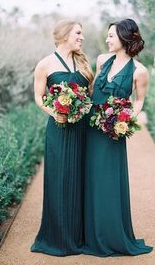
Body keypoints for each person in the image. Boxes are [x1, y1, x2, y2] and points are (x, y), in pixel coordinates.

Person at [83, 18, 153, 256]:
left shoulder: (139, 71)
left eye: (111, 35)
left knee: (109, 182)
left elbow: (140, 101)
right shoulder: (102, 60)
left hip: (113, 131)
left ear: (124, 38)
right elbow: (93, 90)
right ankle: (89, 233)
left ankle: (112, 235)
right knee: (90, 179)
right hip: (90, 128)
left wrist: (125, 120)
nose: (107, 39)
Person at [31, 19, 94, 256]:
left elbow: (88, 96)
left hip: (82, 130)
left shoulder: (83, 63)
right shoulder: (44, 64)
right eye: (78, 33)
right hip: (59, 129)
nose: (82, 37)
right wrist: (55, 112)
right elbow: (39, 98)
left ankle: (80, 236)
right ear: (65, 34)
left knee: (81, 178)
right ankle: (57, 238)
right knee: (60, 179)